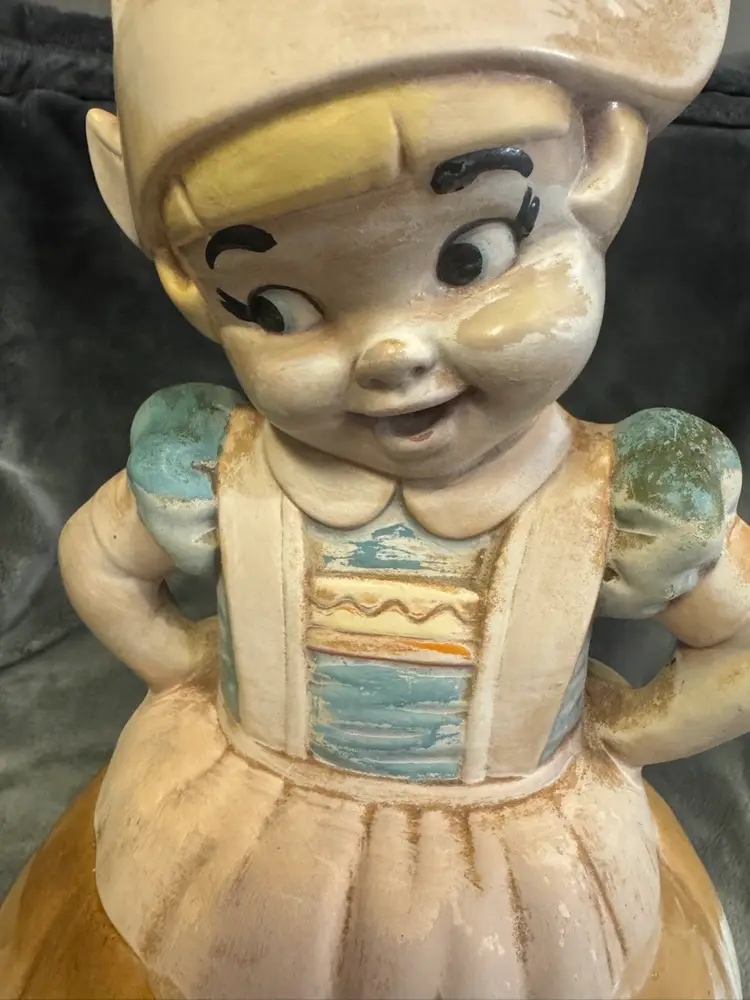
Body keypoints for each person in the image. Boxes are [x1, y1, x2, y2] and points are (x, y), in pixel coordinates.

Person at [3, 1, 744, 997]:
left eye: (470, 256)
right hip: (247, 828)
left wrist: (630, 733)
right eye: (279, 308)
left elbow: (739, 647)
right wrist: (185, 665)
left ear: (601, 171)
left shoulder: (618, 497)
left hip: (514, 878)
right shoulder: (219, 464)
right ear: (201, 298)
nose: (391, 353)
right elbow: (99, 559)